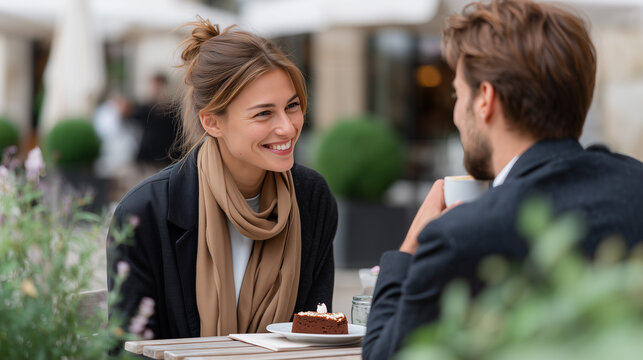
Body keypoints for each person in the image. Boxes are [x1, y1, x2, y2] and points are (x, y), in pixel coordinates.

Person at [362, 1, 643, 358]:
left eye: (457, 94)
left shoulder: (460, 236)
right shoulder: (636, 187)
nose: (454, 112)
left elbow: (384, 354)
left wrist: (408, 250)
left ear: (485, 100)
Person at [107, 18, 338, 340]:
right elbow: (129, 347)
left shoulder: (311, 198)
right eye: (264, 113)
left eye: (292, 106)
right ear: (213, 123)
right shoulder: (146, 212)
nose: (287, 127)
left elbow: (316, 331)